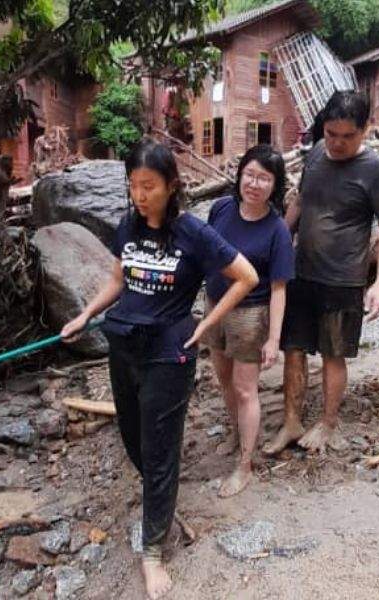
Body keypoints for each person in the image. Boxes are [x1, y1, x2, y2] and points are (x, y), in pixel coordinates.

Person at [61, 139, 258, 599]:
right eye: (133, 185)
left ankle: (152, 551)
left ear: (171, 185)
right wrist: (85, 315)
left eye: (148, 185)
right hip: (123, 347)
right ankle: (162, 505)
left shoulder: (192, 231)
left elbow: (246, 275)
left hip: (168, 355)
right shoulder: (128, 224)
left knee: (160, 450)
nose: (139, 195)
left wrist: (206, 323)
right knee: (134, 439)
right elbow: (117, 279)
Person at [263, 91, 379, 455]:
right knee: (293, 348)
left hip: (344, 279)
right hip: (301, 272)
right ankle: (291, 421)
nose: (336, 143)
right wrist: (277, 242)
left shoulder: (377, 170)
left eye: (347, 136)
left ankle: (327, 422)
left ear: (365, 130)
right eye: (331, 132)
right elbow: (301, 201)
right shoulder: (317, 154)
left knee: (332, 353)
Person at [203, 144, 295, 497]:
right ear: (240, 175)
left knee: (245, 389)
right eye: (250, 175)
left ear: (275, 185)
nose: (254, 184)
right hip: (216, 307)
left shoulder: (277, 231)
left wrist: (273, 338)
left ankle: (245, 464)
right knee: (224, 380)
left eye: (264, 178)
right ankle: (235, 431)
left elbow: (279, 289)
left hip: (249, 316)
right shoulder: (221, 209)